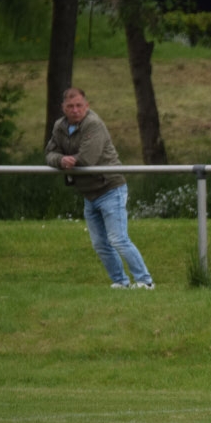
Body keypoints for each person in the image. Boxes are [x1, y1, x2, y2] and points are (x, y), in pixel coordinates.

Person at [44, 88, 155, 290]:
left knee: (118, 239)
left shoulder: (93, 124)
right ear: (63, 108)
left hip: (110, 187)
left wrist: (68, 160)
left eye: (79, 105)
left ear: (87, 106)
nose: (75, 110)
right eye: (70, 106)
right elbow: (50, 153)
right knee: (100, 244)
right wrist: (60, 160)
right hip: (89, 193)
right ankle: (120, 282)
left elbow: (88, 158)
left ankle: (145, 281)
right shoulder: (59, 126)